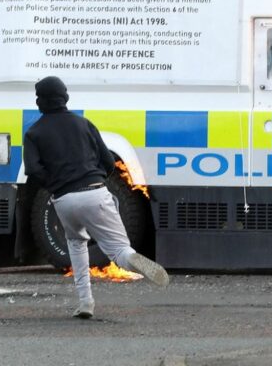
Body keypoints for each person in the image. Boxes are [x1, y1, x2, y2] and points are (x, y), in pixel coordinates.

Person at [23, 76, 169, 319]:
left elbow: (33, 170)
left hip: (64, 200)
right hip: (95, 192)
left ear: (40, 101)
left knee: (76, 245)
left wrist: (56, 186)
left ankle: (85, 302)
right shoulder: (84, 124)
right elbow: (109, 162)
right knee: (119, 251)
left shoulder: (34, 133)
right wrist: (97, 179)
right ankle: (134, 260)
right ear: (64, 97)